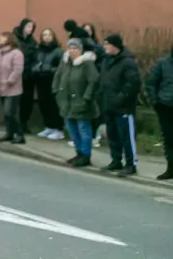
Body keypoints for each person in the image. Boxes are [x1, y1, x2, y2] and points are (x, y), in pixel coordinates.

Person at [98, 33, 140, 177]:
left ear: (115, 46)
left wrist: (120, 98)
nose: (104, 47)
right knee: (113, 135)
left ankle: (131, 164)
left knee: (127, 136)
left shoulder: (128, 62)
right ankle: (116, 160)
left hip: (123, 107)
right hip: (108, 105)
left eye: (107, 44)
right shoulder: (106, 61)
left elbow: (132, 85)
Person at [54, 37, 98, 167]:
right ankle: (78, 152)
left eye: (75, 48)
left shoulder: (87, 64)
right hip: (66, 103)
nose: (72, 51)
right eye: (70, 48)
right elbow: (58, 76)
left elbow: (93, 81)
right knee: (72, 129)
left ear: (80, 50)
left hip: (81, 103)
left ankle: (86, 155)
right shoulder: (65, 63)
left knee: (83, 129)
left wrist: (86, 97)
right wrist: (56, 91)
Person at [0, 31, 25, 144]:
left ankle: (20, 135)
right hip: (0, 87)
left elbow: (18, 69)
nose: (0, 39)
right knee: (6, 114)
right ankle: (9, 133)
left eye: (2, 38)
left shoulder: (16, 53)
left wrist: (10, 80)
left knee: (11, 112)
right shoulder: (0, 53)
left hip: (12, 89)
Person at [146, 44, 173, 181]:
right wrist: (155, 101)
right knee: (169, 138)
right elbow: (151, 83)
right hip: (166, 106)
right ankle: (171, 168)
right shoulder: (163, 63)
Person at [33, 28, 65, 139]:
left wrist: (49, 69)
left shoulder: (57, 50)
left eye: (49, 35)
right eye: (44, 35)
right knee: (43, 104)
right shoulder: (38, 49)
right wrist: (35, 69)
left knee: (54, 105)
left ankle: (58, 129)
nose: (47, 37)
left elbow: (61, 67)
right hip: (40, 79)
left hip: (52, 79)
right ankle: (49, 126)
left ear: (53, 37)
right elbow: (34, 62)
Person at [14, 18, 38, 133]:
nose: (30, 29)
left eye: (32, 27)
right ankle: (15, 124)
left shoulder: (32, 42)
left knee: (27, 101)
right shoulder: (14, 39)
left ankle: (24, 123)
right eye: (28, 26)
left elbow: (35, 57)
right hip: (16, 75)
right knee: (16, 101)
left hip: (28, 76)